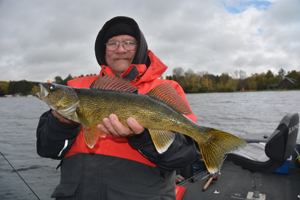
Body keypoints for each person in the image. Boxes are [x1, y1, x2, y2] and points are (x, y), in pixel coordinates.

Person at [36, 16, 200, 200]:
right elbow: (47, 149)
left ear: (140, 48)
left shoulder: (166, 90)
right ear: (103, 49)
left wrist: (142, 137)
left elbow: (184, 156)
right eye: (112, 43)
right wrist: (62, 124)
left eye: (129, 43)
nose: (120, 49)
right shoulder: (77, 87)